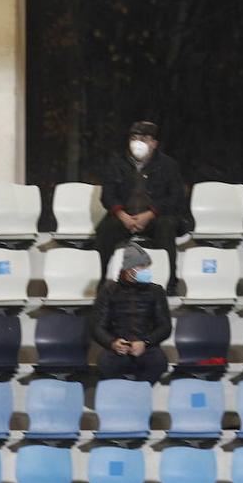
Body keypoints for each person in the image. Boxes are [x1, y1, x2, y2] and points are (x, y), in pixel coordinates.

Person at [93, 121, 187, 296]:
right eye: (134, 138)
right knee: (106, 230)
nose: (138, 142)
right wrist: (122, 215)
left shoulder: (168, 165)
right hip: (125, 217)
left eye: (144, 138)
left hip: (155, 217)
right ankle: (101, 280)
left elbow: (176, 198)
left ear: (154, 143)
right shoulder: (116, 163)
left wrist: (150, 213)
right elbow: (107, 195)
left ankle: (170, 281)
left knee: (166, 227)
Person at [91, 243, 172, 383]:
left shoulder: (156, 291)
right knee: (105, 363)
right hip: (118, 348)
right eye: (142, 266)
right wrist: (113, 343)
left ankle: (140, 396)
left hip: (147, 347)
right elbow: (97, 327)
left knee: (159, 362)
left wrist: (145, 342)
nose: (146, 270)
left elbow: (165, 326)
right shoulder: (108, 291)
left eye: (146, 266)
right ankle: (120, 398)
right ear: (129, 269)